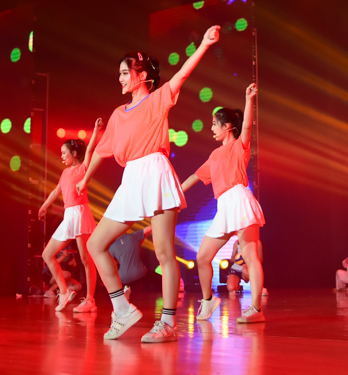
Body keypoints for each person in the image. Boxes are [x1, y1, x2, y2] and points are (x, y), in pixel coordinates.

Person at [82, 25, 220, 343]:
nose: (120, 78)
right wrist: (85, 179)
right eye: (119, 73)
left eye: (125, 72)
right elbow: (101, 151)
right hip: (131, 177)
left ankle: (168, 324)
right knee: (95, 244)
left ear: (142, 75)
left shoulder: (158, 99)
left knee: (163, 253)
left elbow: (182, 75)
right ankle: (122, 310)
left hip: (155, 171)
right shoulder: (118, 113)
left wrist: (203, 44)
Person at [180, 84, 265, 324]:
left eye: (214, 124)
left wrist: (248, 99)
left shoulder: (239, 146)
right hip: (224, 206)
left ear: (227, 127)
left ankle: (256, 309)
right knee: (203, 257)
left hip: (239, 199)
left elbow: (246, 126)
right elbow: (195, 176)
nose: (211, 128)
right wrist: (174, 194)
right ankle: (208, 300)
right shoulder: (214, 155)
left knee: (251, 256)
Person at [38, 119, 103, 313]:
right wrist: (44, 205)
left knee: (86, 259)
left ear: (74, 154)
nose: (62, 156)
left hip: (81, 213)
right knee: (47, 254)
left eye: (64, 152)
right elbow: (56, 191)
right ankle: (64, 292)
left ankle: (90, 300)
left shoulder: (82, 168)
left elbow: (90, 150)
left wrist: (95, 130)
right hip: (68, 216)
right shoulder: (65, 172)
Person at [109, 225, 153, 299]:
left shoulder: (112, 247)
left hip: (123, 278)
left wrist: (120, 260)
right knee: (156, 277)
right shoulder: (133, 236)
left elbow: (109, 263)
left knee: (123, 278)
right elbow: (149, 229)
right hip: (141, 273)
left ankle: (126, 288)